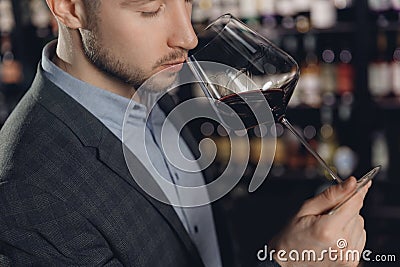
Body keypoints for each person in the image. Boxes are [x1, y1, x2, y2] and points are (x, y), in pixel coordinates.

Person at [0, 0, 370, 266]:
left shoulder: (152, 89)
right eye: (150, 9)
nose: (188, 37)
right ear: (68, 7)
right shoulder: (26, 194)